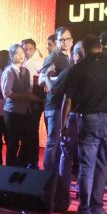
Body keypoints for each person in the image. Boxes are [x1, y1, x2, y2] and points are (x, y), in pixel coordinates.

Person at [64, 31, 107, 214]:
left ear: (83, 50)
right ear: (99, 48)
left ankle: (85, 212)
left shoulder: (78, 68)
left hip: (88, 119)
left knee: (87, 167)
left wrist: (64, 125)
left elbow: (69, 100)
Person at [40, 26, 73, 173]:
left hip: (68, 105)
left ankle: (59, 175)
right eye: (62, 39)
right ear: (57, 41)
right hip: (54, 105)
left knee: (63, 141)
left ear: (72, 40)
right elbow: (41, 79)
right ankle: (48, 175)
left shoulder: (72, 57)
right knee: (53, 141)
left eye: (68, 39)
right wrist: (54, 78)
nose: (65, 42)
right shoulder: (53, 57)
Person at [1, 43, 39, 167]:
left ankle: (21, 167)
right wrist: (26, 96)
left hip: (24, 111)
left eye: (22, 52)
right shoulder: (9, 71)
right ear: (12, 56)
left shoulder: (25, 71)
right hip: (12, 112)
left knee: (26, 141)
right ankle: (10, 168)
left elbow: (28, 89)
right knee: (13, 142)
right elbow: (7, 93)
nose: (21, 55)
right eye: (17, 53)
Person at [21, 38, 45, 168]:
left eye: (29, 49)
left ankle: (32, 161)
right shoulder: (23, 61)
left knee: (31, 131)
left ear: (35, 48)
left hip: (35, 101)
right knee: (26, 131)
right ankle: (26, 159)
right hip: (24, 100)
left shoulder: (40, 62)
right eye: (25, 49)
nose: (27, 51)